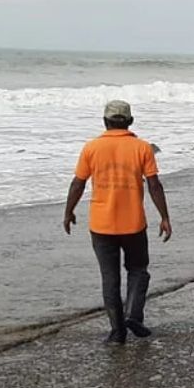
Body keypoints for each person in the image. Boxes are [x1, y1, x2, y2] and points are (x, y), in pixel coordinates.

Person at [62, 101, 172, 344]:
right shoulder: (142, 148)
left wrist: (68, 212)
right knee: (138, 270)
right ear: (130, 121)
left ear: (105, 121)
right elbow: (154, 184)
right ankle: (133, 315)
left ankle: (117, 331)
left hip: (101, 226)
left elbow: (78, 183)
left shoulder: (91, 148)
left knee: (109, 277)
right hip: (133, 223)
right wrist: (164, 216)